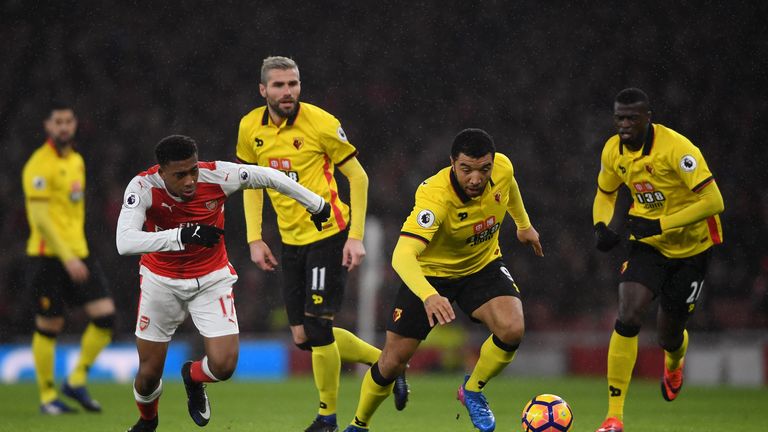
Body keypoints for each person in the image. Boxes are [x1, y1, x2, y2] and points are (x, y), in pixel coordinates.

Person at [235, 56, 408, 432]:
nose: (287, 92)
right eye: (279, 85)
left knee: (317, 328)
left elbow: (358, 178)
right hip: (289, 240)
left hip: (329, 233)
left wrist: (357, 237)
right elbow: (251, 184)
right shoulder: (250, 128)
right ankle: (390, 363)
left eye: (293, 84)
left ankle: (326, 417)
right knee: (302, 337)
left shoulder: (322, 123)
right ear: (263, 90)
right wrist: (254, 238)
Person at [115, 135, 331, 432]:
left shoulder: (217, 175)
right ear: (161, 172)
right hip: (161, 282)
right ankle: (148, 420)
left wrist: (316, 203)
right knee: (149, 374)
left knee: (225, 365)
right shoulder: (142, 187)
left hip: (211, 280)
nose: (190, 180)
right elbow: (124, 242)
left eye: (193, 170)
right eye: (180, 175)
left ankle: (192, 376)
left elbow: (268, 176)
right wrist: (181, 236)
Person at [341, 128, 544, 432]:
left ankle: (472, 389)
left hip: (481, 266)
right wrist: (428, 294)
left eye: (483, 169)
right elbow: (402, 255)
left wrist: (523, 225)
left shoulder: (502, 167)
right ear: (452, 163)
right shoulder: (434, 198)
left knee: (512, 328)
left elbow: (509, 185)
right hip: (431, 275)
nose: (476, 178)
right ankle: (359, 424)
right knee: (391, 362)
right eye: (466, 170)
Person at [593, 88, 725, 432]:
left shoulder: (678, 149)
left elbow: (714, 201)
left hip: (692, 249)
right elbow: (606, 192)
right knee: (629, 312)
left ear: (647, 117)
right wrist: (601, 224)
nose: (624, 124)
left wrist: (661, 222)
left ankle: (674, 360)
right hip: (648, 245)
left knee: (669, 334)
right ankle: (614, 416)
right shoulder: (613, 151)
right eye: (619, 117)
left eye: (631, 118)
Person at [22, 104, 116, 415]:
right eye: (58, 122)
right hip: (48, 256)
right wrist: (67, 258)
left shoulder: (76, 161)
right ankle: (48, 397)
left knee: (105, 317)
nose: (64, 127)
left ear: (74, 124)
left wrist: (78, 254)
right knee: (50, 325)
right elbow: (41, 219)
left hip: (79, 252)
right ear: (47, 126)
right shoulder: (38, 164)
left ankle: (75, 381)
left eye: (68, 121)